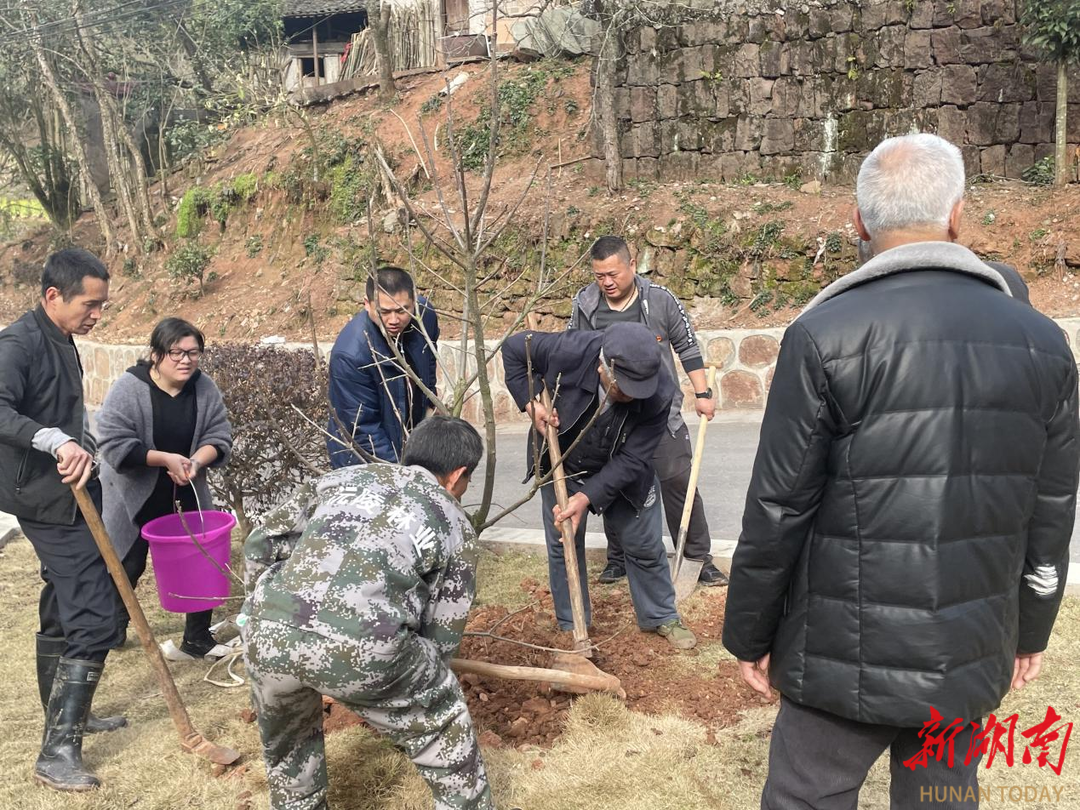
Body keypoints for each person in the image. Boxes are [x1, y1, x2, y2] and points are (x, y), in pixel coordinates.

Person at [722, 133, 1079, 809]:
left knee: (806, 795)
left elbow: (778, 507)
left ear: (858, 222)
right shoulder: (1043, 344)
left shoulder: (822, 335)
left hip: (839, 651)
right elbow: (1052, 508)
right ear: (958, 215)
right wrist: (1030, 629)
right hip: (967, 646)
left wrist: (749, 632)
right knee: (942, 797)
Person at [241, 416, 491, 810]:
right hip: (366, 645)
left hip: (268, 632)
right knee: (444, 728)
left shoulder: (342, 479)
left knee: (289, 750)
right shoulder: (455, 525)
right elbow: (442, 636)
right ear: (457, 475)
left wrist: (256, 610)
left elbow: (260, 542)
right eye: (466, 482)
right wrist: (417, 691)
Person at [0, 248, 126, 791]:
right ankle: (56, 752)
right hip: (43, 499)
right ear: (53, 296)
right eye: (89, 305)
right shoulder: (19, 343)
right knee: (94, 615)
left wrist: (84, 439)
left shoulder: (60, 336)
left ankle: (70, 713)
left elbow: (62, 407)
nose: (97, 315)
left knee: (62, 599)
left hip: (72, 491)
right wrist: (54, 440)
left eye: (102, 305)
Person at [502, 322, 697, 650]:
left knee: (644, 544)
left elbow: (634, 459)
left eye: (639, 389)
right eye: (624, 388)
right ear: (602, 366)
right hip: (563, 459)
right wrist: (530, 404)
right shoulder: (569, 349)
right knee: (563, 541)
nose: (632, 396)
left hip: (624, 469)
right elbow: (512, 349)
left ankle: (661, 615)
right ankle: (572, 623)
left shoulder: (660, 390)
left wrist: (586, 497)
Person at [569, 235, 727, 587]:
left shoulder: (660, 299)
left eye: (613, 274)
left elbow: (686, 346)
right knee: (614, 485)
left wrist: (702, 393)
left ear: (631, 264)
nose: (607, 282)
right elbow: (574, 350)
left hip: (659, 412)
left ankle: (698, 558)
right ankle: (618, 558)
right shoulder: (585, 303)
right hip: (610, 415)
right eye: (599, 276)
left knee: (678, 481)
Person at [96, 317, 233, 659]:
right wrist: (165, 459)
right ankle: (111, 629)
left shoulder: (204, 388)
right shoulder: (129, 387)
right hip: (134, 492)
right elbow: (113, 444)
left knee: (199, 559)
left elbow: (219, 436)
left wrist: (195, 463)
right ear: (156, 354)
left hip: (185, 488)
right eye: (176, 352)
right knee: (129, 564)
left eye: (193, 352)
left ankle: (197, 638)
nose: (186, 360)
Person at [326, 265, 440, 466]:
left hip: (408, 435)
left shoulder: (424, 316)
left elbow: (429, 358)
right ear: (367, 304)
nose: (393, 320)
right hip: (364, 458)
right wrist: (401, 473)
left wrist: (430, 401)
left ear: (414, 302)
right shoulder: (351, 354)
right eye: (384, 312)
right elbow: (363, 431)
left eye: (402, 310)